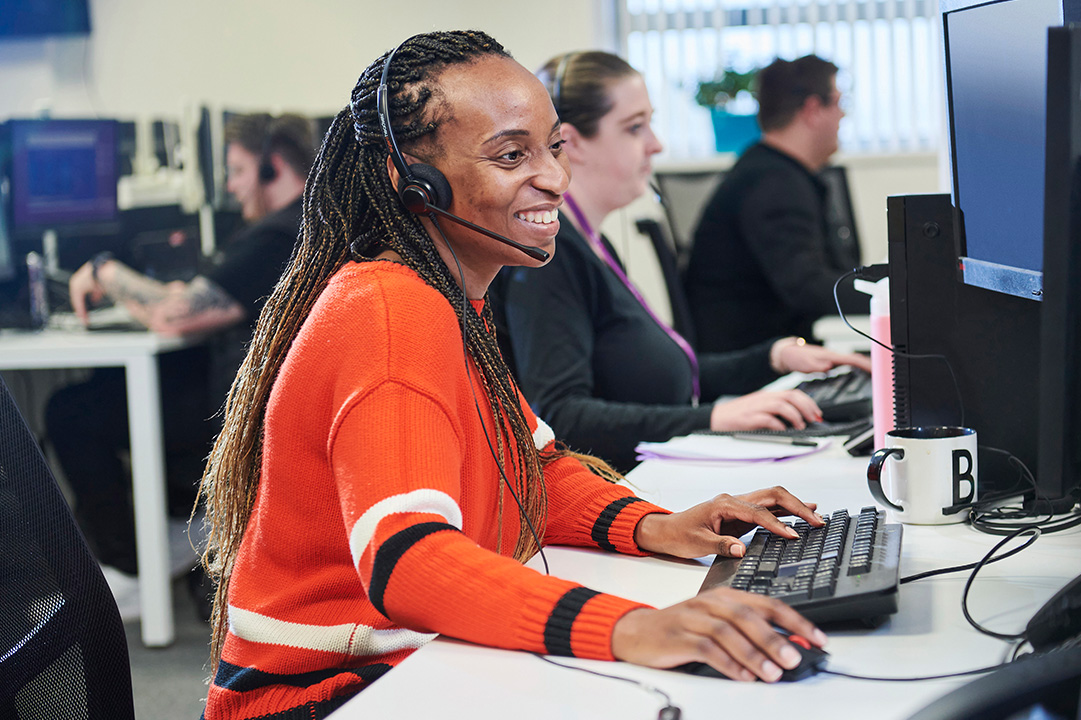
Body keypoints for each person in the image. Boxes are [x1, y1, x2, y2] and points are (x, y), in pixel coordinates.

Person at [199, 32, 829, 720]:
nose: (555, 179)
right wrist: (629, 628)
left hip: (407, 665)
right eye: (510, 155)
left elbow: (533, 468)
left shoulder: (449, 297)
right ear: (411, 181)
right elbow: (409, 562)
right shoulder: (390, 310)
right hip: (326, 698)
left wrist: (658, 526)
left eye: (553, 147)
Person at [493, 51, 870, 472]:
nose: (656, 144)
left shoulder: (594, 246)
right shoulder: (550, 261)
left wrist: (775, 356)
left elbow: (665, 379)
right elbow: (563, 418)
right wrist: (713, 418)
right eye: (635, 127)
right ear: (574, 143)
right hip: (622, 491)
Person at [44, 113, 315, 593]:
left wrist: (106, 272)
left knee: (70, 411)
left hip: (237, 412)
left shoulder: (279, 234)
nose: (230, 187)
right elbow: (209, 293)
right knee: (102, 394)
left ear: (272, 168)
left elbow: (176, 315)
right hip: (255, 398)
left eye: (236, 171)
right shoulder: (303, 223)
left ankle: (131, 569)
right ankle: (171, 532)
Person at [683, 55, 867, 353]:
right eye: (838, 102)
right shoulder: (774, 184)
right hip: (757, 362)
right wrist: (896, 297)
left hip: (774, 348)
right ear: (812, 109)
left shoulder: (773, 170)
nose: (843, 116)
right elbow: (808, 287)